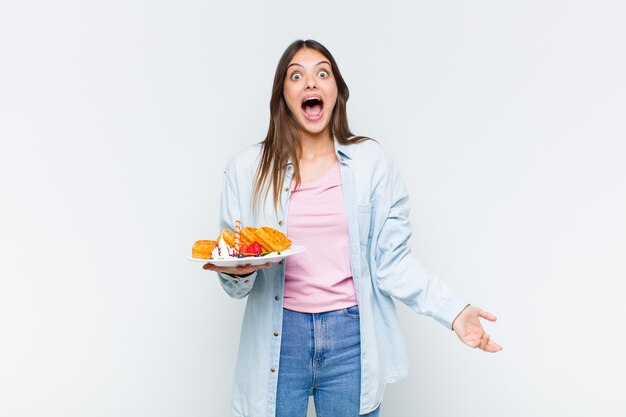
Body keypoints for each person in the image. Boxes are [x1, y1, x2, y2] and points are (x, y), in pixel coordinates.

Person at [202, 39, 502, 417]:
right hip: (279, 338)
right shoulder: (246, 170)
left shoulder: (372, 164)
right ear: (284, 95)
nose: (311, 83)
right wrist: (239, 272)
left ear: (336, 92)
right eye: (297, 75)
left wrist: (454, 312)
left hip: (350, 340)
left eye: (322, 73)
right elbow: (234, 277)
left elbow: (391, 262)